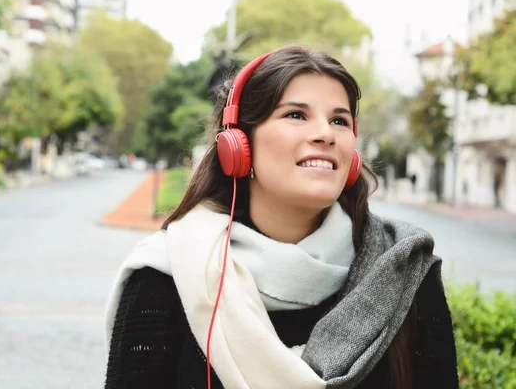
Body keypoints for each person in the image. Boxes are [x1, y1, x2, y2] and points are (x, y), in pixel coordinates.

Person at [104, 46, 459, 389]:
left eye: (339, 120)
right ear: (239, 145)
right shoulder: (169, 275)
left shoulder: (405, 267)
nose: (324, 134)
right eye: (296, 115)